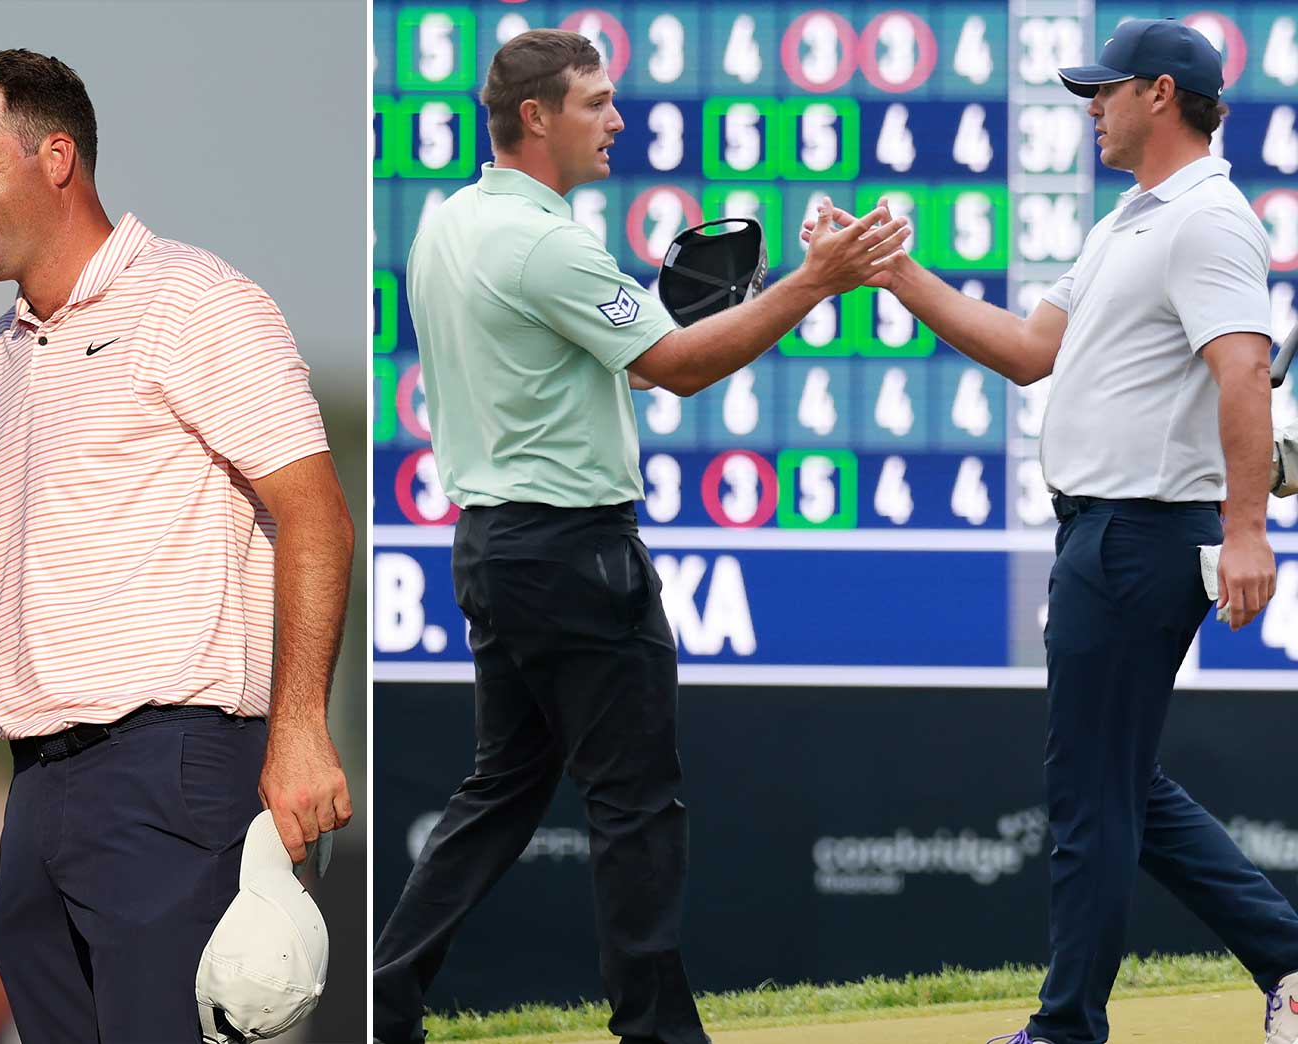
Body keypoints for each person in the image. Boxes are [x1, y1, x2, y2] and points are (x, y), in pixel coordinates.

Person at [371, 28, 910, 1044]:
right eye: (595, 102)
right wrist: (812, 284)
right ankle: (656, 1034)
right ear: (535, 117)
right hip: (575, 556)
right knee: (634, 804)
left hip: (490, 546)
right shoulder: (543, 240)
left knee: (500, 791)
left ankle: (384, 1000)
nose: (616, 120)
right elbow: (673, 365)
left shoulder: (446, 225)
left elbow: (632, 353)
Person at [0, 50, 355, 1043]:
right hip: (40, 791)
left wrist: (303, 729)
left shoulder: (196, 300)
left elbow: (313, 509)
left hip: (177, 769)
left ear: (55, 157)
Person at [797, 19, 1298, 1044]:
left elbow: (1242, 368)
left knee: (1086, 800)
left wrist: (1248, 532)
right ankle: (1286, 958)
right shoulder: (1130, 221)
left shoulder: (1203, 217)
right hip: (1108, 536)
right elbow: (1029, 350)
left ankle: (1065, 1028)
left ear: (1158, 95)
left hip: (1138, 537)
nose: (1089, 105)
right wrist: (888, 271)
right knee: (1120, 786)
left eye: (1103, 90)